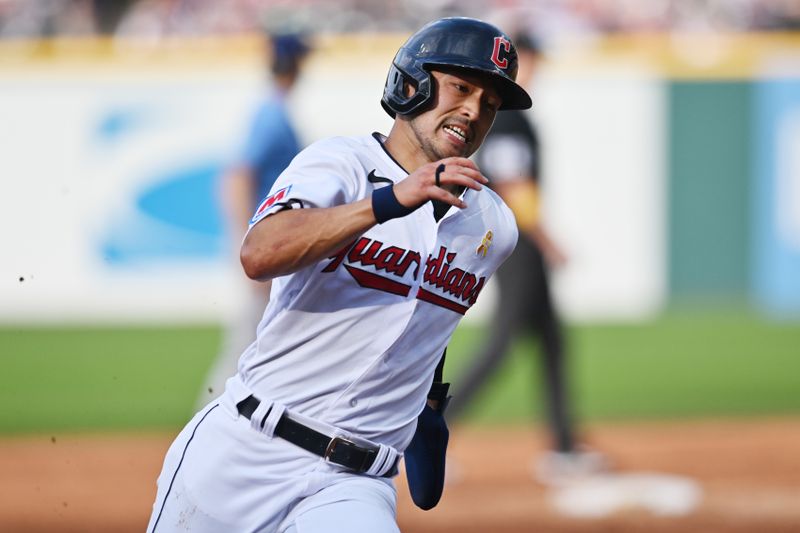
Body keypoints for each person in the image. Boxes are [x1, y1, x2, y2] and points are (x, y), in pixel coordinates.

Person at [147, 17, 531, 532]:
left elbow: (430, 319)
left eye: (490, 102)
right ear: (411, 84)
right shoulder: (341, 164)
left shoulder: (494, 225)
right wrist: (389, 201)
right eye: (461, 87)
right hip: (243, 453)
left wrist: (429, 404)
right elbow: (259, 254)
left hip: (352, 486)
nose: (474, 110)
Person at [445, 33, 606, 483]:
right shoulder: (511, 120)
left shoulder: (512, 119)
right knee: (501, 344)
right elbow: (514, 185)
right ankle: (431, 432)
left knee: (552, 342)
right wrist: (548, 241)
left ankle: (565, 445)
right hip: (520, 244)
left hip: (521, 241)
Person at [196, 30, 311, 406]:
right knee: (246, 343)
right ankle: (204, 424)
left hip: (272, 245)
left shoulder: (272, 109)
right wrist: (246, 241)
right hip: (266, 247)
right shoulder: (271, 113)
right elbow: (236, 176)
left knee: (264, 343)